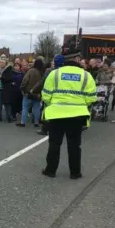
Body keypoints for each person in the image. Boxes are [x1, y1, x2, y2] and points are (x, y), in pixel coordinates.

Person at [41, 45, 97, 179]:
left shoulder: (54, 74)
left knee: (54, 144)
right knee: (74, 145)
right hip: (77, 115)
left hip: (56, 114)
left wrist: (55, 104)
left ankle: (50, 170)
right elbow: (92, 98)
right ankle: (75, 173)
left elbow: (46, 95)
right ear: (77, 60)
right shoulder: (86, 75)